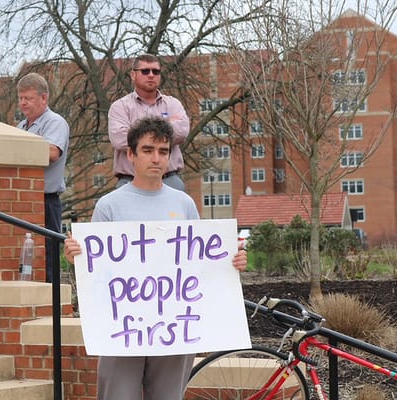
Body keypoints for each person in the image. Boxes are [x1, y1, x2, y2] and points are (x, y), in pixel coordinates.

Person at [64, 116, 247, 400]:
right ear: (131, 155)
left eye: (163, 151)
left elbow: (198, 263)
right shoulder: (109, 205)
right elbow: (95, 270)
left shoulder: (184, 203)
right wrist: (76, 256)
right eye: (148, 150)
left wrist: (230, 263)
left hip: (174, 328)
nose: (156, 158)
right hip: (122, 328)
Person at [16, 72, 70, 283]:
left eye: (28, 98)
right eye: (20, 98)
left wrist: (17, 150)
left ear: (44, 98)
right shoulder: (21, 127)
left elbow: (52, 153)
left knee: (48, 255)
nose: (23, 103)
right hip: (24, 200)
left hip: (46, 200)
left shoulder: (55, 122)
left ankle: (52, 303)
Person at [108, 53, 189, 191]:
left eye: (156, 71)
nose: (151, 75)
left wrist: (136, 132)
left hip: (170, 181)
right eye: (145, 71)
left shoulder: (173, 104)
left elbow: (182, 132)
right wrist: (167, 126)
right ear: (133, 75)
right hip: (129, 181)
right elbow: (119, 139)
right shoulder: (120, 106)